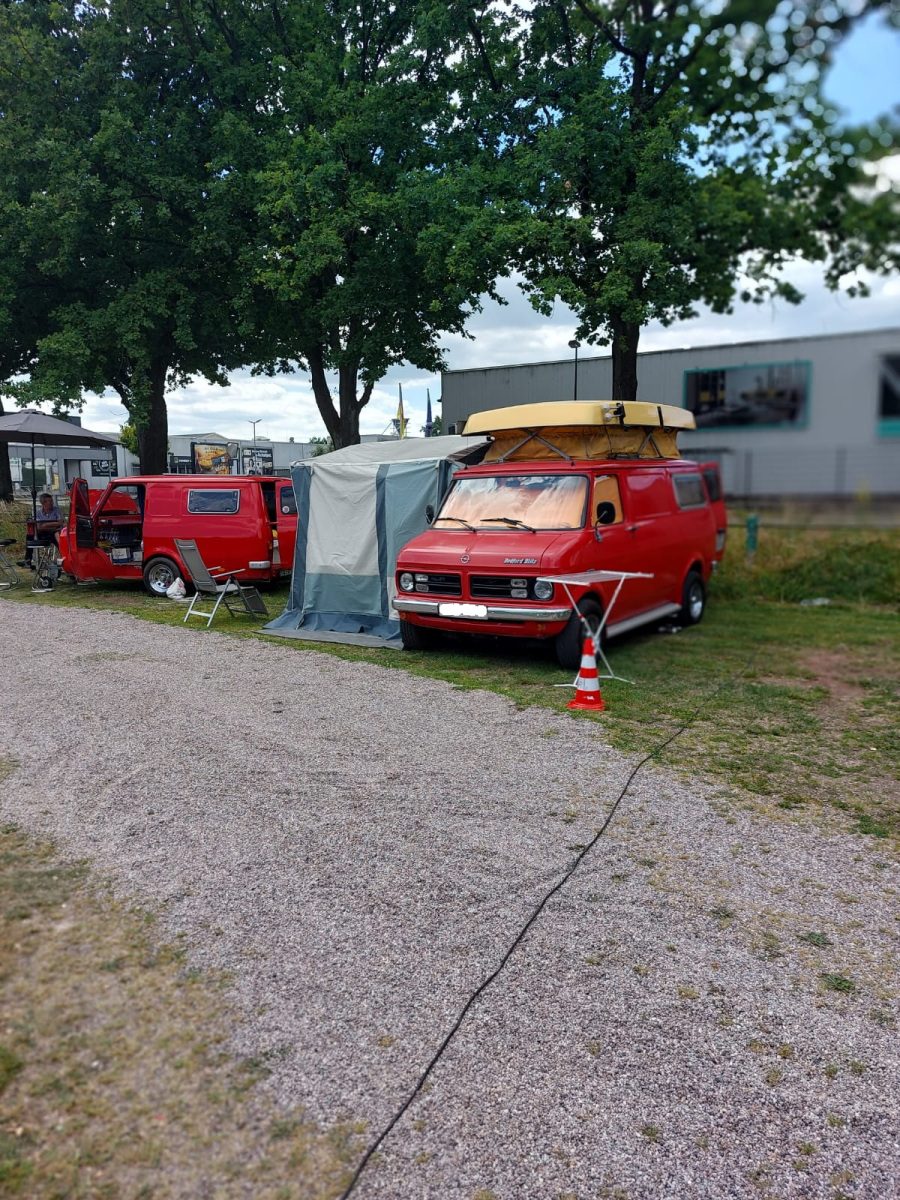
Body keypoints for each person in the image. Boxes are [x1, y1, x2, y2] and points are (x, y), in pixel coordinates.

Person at [19, 493, 64, 568]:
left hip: (54, 533)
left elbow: (60, 522)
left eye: (52, 501)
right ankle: (28, 559)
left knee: (58, 537)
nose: (52, 503)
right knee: (30, 535)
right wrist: (53, 525)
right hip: (43, 532)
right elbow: (38, 527)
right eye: (50, 501)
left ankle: (65, 558)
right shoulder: (38, 512)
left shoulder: (56, 510)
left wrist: (45, 525)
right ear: (44, 503)